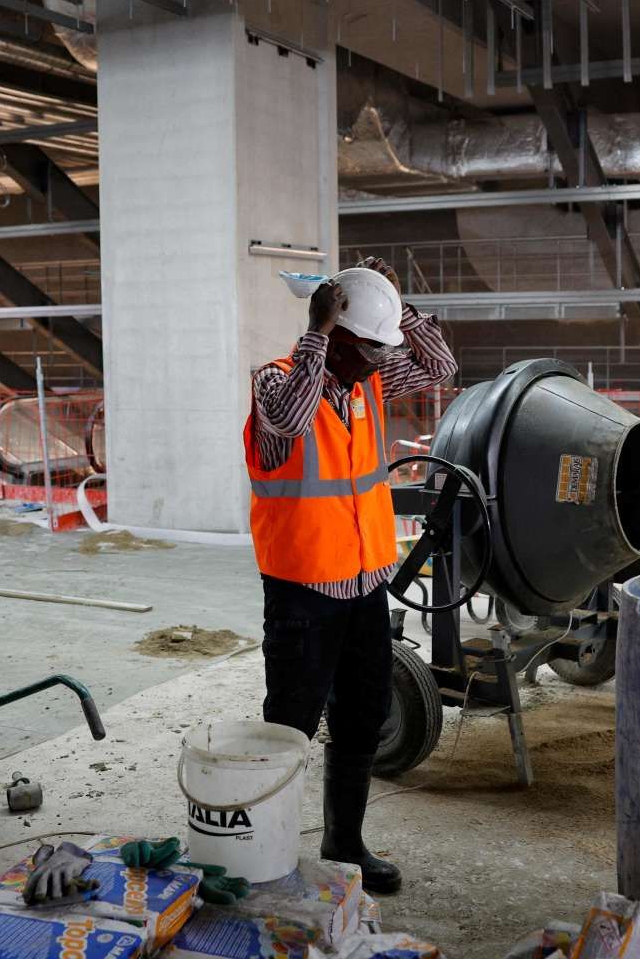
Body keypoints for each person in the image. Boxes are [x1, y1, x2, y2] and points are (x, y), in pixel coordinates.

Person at [243, 256, 457, 895]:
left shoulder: (363, 381)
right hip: (302, 592)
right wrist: (314, 330)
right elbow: (287, 420)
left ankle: (345, 844)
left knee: (362, 716)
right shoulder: (275, 382)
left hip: (364, 585)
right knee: (289, 727)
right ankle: (264, 852)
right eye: (367, 347)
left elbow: (439, 366)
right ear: (331, 336)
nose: (377, 362)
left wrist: (398, 304)